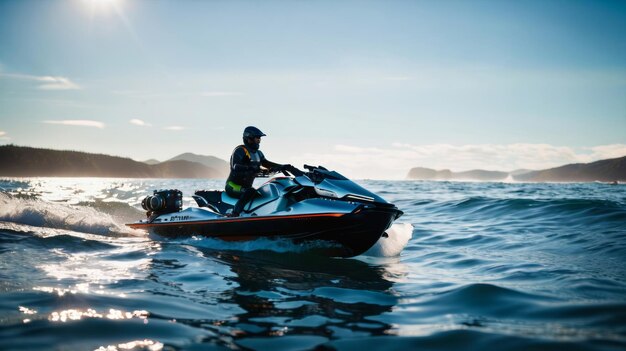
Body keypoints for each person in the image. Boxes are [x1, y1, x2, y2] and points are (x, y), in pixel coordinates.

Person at [225, 126, 290, 217]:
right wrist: (250, 168)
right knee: (250, 191)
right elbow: (235, 166)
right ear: (249, 138)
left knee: (261, 194)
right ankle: (234, 214)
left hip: (247, 188)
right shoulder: (240, 150)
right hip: (232, 186)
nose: (259, 140)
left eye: (259, 138)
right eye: (257, 138)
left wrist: (282, 166)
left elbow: (266, 163)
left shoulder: (258, 153)